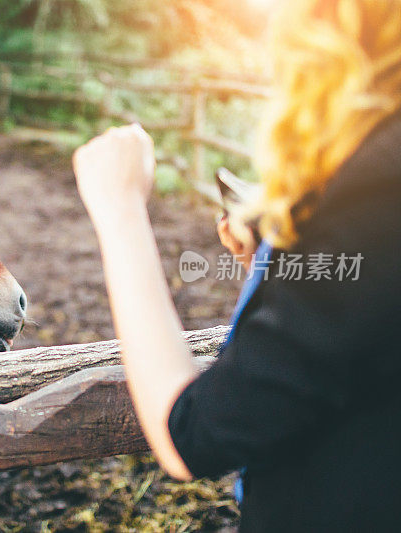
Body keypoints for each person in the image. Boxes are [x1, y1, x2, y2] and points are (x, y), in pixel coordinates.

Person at [72, 1, 401, 531]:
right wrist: (282, 264)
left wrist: (119, 207)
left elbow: (193, 435)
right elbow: (363, 329)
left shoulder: (378, 181)